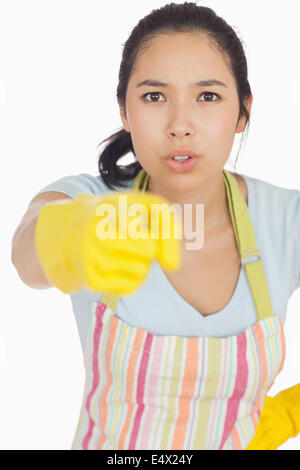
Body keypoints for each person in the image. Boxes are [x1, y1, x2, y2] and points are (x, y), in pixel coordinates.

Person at [11, 2, 300, 450]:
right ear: (124, 112)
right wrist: (68, 236)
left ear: (242, 112)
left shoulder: (286, 220)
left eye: (208, 96)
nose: (180, 126)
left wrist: (288, 413)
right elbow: (26, 256)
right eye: (154, 96)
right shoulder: (90, 202)